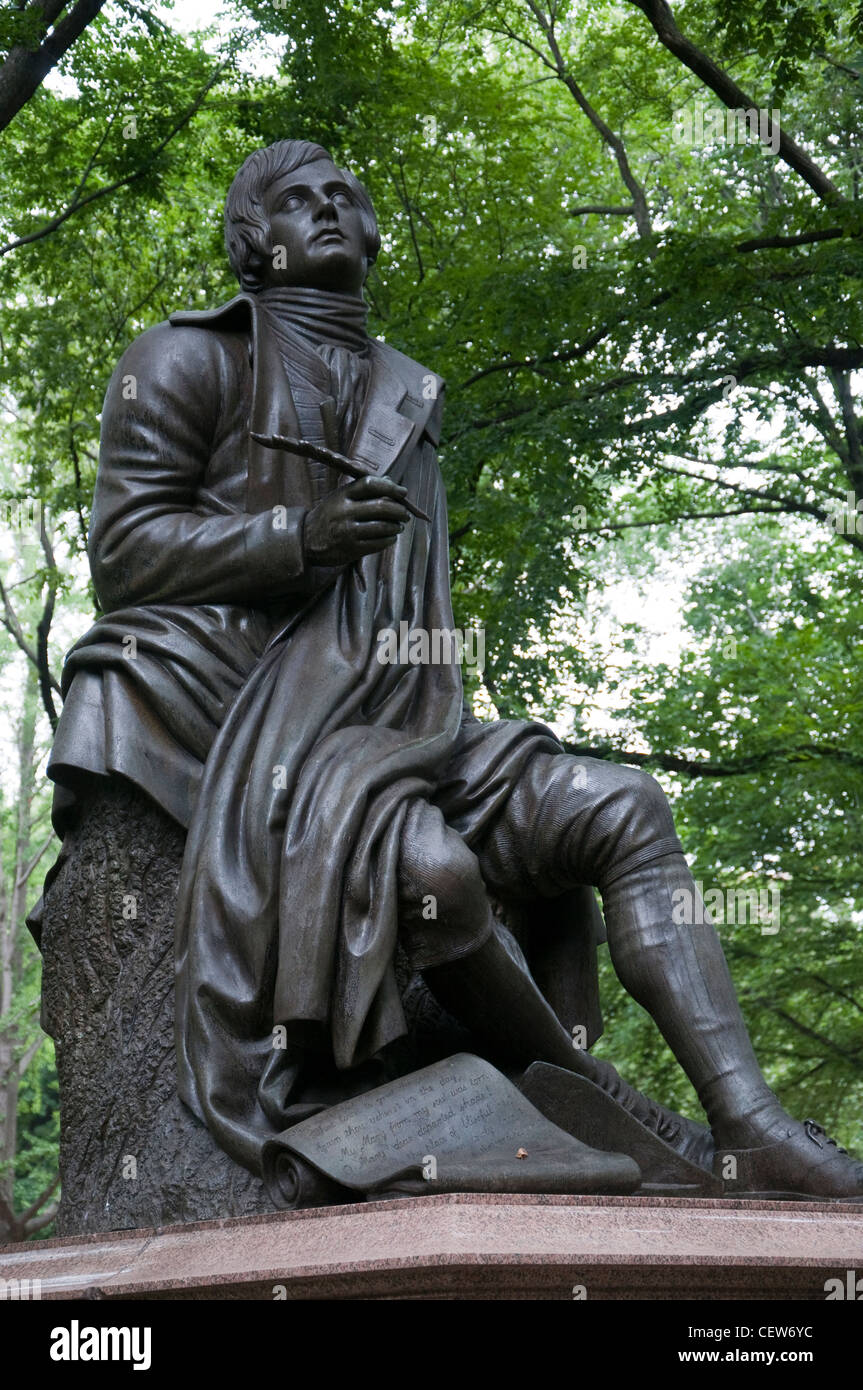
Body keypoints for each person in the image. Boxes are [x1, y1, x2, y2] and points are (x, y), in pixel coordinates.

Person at [39, 138, 863, 1201]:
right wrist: (298, 536)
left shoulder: (405, 396)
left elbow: (403, 621)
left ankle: (747, 1123)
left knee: (622, 804)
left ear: (372, 233)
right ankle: (587, 1093)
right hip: (241, 716)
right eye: (296, 201)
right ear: (254, 243)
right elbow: (124, 553)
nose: (327, 209)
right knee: (430, 874)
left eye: (345, 194)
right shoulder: (185, 360)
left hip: (401, 720)